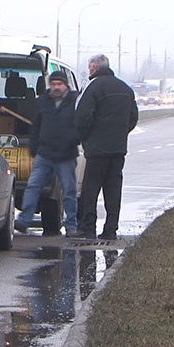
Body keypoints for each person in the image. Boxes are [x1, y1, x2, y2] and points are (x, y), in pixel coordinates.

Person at [73, 54, 138, 240]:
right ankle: (110, 229)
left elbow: (83, 117)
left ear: (95, 67)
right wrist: (120, 134)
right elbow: (133, 117)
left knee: (90, 190)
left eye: (89, 66)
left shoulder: (94, 88)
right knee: (113, 189)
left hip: (96, 149)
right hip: (118, 149)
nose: (88, 69)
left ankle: (88, 228)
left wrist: (84, 138)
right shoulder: (125, 89)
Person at [14, 71, 80, 236]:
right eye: (53, 84)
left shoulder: (75, 101)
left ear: (66, 85)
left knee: (69, 190)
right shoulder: (42, 102)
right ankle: (23, 221)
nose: (56, 87)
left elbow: (82, 124)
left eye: (60, 84)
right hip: (44, 154)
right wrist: (34, 149)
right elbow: (35, 127)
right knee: (33, 186)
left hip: (66, 155)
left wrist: (74, 140)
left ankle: (71, 225)